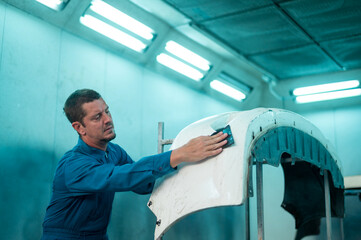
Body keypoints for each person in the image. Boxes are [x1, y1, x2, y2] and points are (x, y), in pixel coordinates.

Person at [41, 89, 228, 240]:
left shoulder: (113, 152)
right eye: (97, 117)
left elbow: (142, 184)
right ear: (79, 127)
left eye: (107, 111)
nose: (108, 119)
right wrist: (179, 154)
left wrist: (189, 165)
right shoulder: (73, 165)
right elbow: (121, 176)